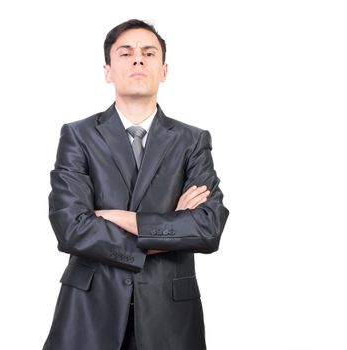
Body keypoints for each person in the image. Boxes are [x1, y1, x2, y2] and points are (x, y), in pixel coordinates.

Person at [43, 19, 229, 350]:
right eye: (126, 53)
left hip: (169, 316)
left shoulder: (192, 141)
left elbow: (208, 228)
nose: (138, 59)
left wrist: (117, 217)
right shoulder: (78, 136)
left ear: (164, 70)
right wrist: (171, 231)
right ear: (108, 70)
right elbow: (71, 228)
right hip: (90, 311)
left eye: (149, 52)